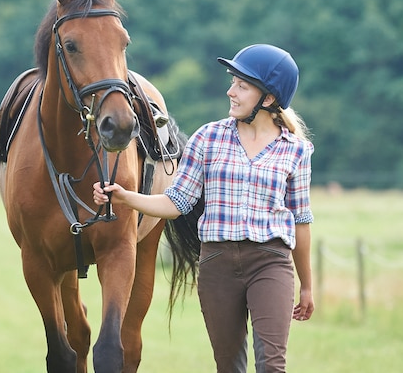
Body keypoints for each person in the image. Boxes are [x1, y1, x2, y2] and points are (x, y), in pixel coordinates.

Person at [93, 43, 315, 372]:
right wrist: (124, 196)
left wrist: (307, 284)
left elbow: (301, 219)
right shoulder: (207, 138)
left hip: (271, 263)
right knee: (228, 365)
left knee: (272, 365)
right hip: (217, 265)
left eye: (242, 86)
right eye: (232, 83)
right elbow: (176, 202)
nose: (231, 92)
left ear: (268, 98)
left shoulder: (296, 150)